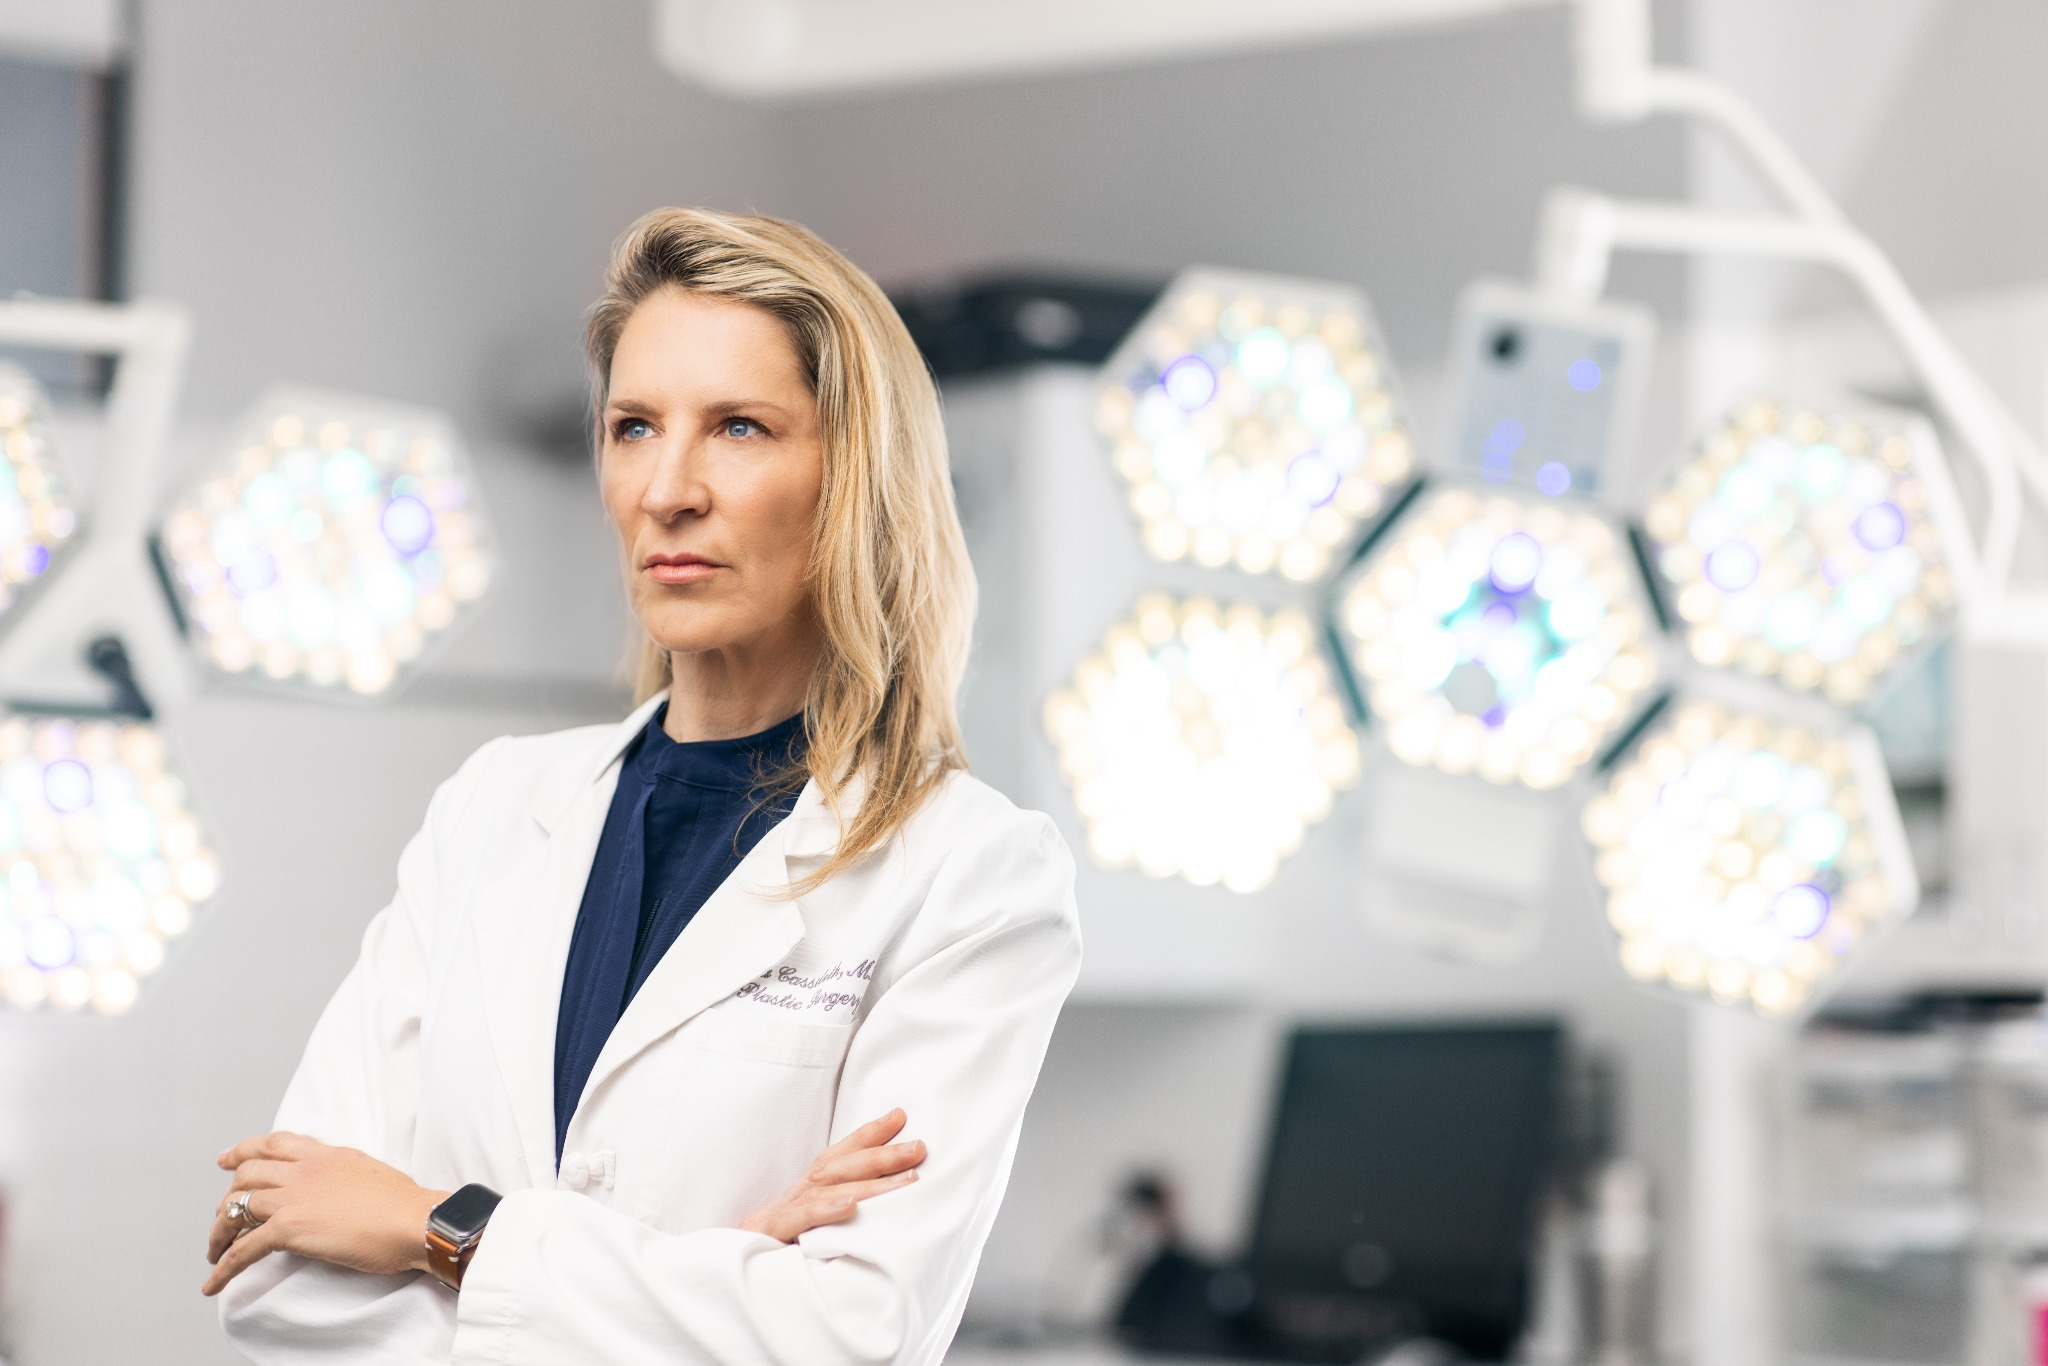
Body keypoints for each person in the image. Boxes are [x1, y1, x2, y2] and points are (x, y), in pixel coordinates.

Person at [203, 208, 1082, 1365]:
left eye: (737, 427)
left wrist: (435, 1231)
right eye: (632, 427)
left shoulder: (969, 874)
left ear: (854, 478)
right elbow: (269, 1266)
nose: (667, 489)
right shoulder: (491, 806)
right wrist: (713, 1272)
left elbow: (848, 1334)